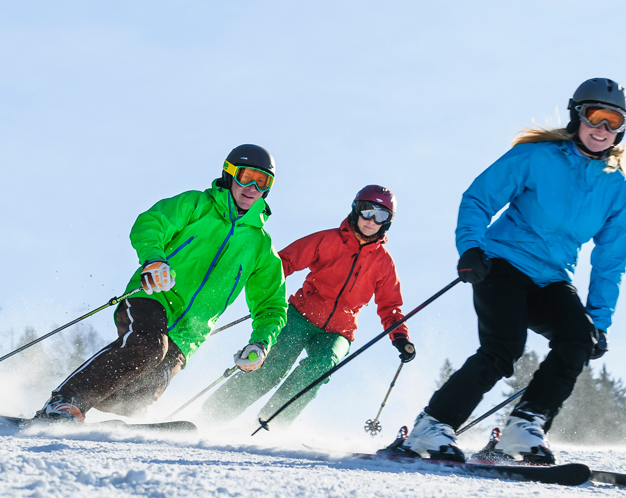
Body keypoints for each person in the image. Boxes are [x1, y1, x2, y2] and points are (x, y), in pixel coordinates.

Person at [394, 78, 626, 463]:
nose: (602, 128)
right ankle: (432, 426)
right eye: (595, 116)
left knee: (578, 338)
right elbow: (479, 198)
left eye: (614, 121)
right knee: (503, 347)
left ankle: (524, 427)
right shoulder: (537, 157)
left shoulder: (617, 189)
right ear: (577, 115)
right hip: (502, 263)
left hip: (552, 278)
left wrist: (600, 321)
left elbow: (611, 262)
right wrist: (471, 248)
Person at [34, 144, 288, 422]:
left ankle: (106, 420)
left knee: (137, 397)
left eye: (262, 181)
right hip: (154, 296)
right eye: (246, 177)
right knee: (150, 347)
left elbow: (271, 306)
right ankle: (64, 402)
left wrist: (261, 343)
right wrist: (154, 260)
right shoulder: (196, 205)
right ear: (229, 174)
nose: (252, 187)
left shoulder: (261, 247)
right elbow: (151, 223)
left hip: (189, 333)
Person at [200, 185, 416, 428]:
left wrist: (400, 338)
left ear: (387, 222)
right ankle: (213, 415)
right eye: (367, 211)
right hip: (301, 315)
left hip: (339, 331)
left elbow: (390, 306)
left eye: (381, 215)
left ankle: (274, 421)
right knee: (272, 365)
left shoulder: (383, 263)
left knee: (322, 366)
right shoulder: (329, 240)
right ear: (356, 210)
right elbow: (284, 261)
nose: (371, 220)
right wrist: (264, 289)